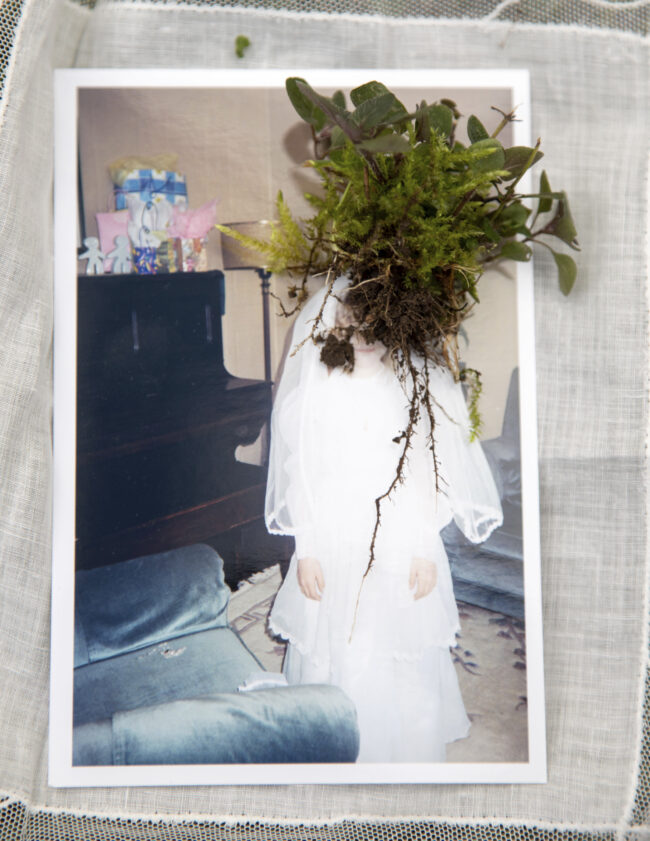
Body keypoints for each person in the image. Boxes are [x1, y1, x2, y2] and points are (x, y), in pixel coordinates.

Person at [265, 276, 503, 763]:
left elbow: (426, 474)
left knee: (398, 630)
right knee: (335, 632)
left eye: (379, 325)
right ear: (333, 328)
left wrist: (422, 545)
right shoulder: (315, 396)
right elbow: (301, 474)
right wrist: (305, 549)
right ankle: (333, 730)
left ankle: (404, 734)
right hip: (333, 530)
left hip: (398, 528)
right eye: (354, 325)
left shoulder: (412, 389)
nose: (367, 336)